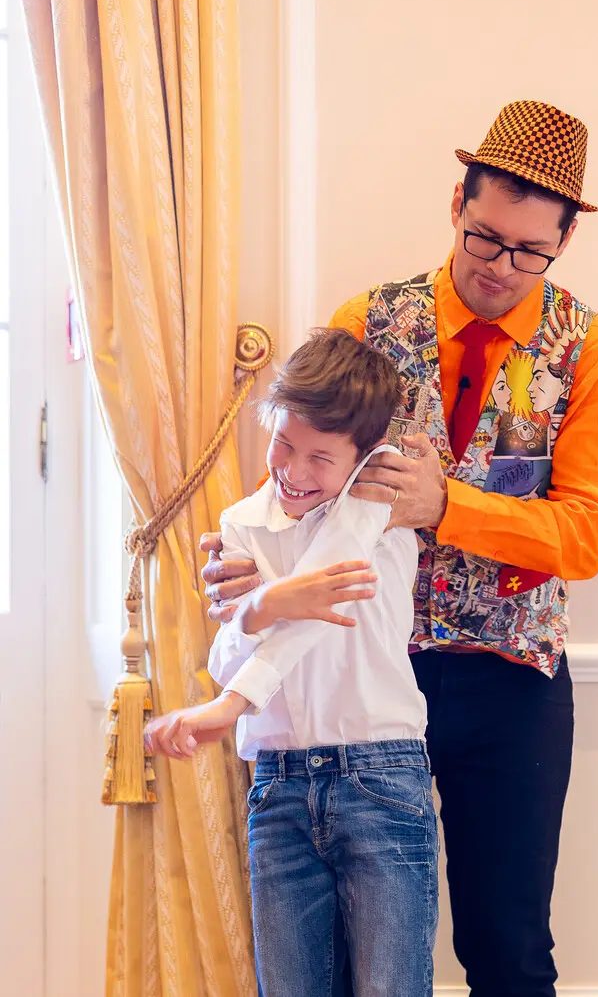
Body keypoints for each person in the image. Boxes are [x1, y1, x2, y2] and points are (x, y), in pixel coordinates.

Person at [202, 99, 598, 997]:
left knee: (508, 948)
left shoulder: (592, 351)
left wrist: (449, 507)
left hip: (508, 675)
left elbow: (585, 533)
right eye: (485, 238)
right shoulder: (366, 321)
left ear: (565, 241)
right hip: (358, 677)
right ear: (456, 204)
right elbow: (301, 478)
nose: (500, 266)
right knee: (339, 959)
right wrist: (248, 565)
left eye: (530, 251)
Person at [147, 329, 439, 997]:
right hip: (277, 785)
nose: (294, 471)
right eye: (284, 443)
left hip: (380, 776)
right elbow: (229, 655)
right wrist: (259, 609)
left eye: (321, 458)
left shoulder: (378, 502)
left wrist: (234, 696)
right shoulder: (242, 524)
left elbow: (318, 602)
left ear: (365, 457)